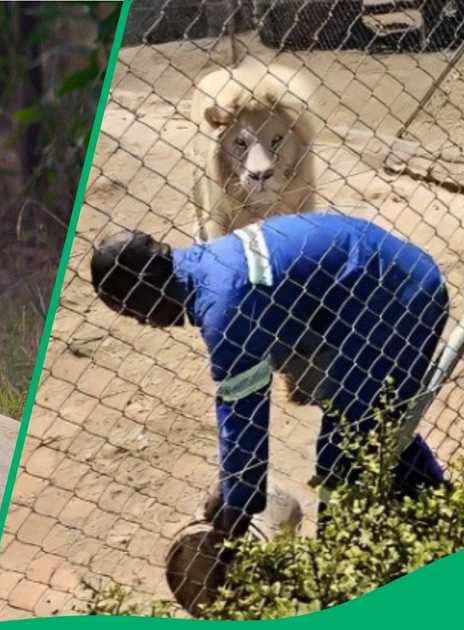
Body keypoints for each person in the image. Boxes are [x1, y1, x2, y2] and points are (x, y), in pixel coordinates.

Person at [89, 212, 450, 539]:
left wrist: (237, 512)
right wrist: (233, 488)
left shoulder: (224, 307)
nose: (144, 323)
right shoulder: (211, 264)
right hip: (380, 282)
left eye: (135, 311)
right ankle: (441, 513)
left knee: (345, 450)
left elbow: (244, 417)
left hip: (397, 295)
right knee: (373, 428)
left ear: (148, 286)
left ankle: (342, 563)